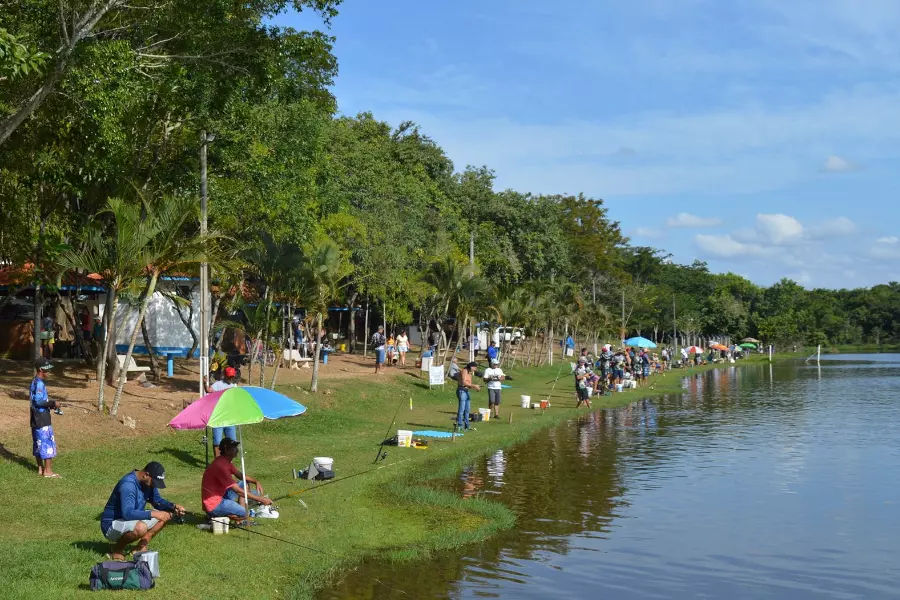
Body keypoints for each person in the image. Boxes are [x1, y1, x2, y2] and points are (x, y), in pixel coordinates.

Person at [100, 462, 185, 559]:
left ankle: (140, 547)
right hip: (111, 525)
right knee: (141, 528)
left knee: (167, 515)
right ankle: (117, 549)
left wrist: (173, 507)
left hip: (129, 520)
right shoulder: (128, 485)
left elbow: (157, 500)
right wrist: (154, 513)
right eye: (154, 482)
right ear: (146, 475)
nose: (154, 485)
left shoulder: (147, 483)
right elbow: (127, 513)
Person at [202, 437, 272, 521]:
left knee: (244, 483)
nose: (237, 450)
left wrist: (256, 481)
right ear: (227, 450)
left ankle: (240, 509)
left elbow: (240, 475)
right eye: (234, 448)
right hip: (213, 505)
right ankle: (223, 516)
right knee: (247, 514)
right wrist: (261, 499)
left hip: (220, 496)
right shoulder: (221, 466)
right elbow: (237, 490)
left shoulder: (225, 461)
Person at [30, 358, 60, 477]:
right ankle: (48, 472)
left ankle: (40, 469)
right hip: (42, 418)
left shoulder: (34, 382)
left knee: (38, 443)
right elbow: (38, 401)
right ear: (40, 369)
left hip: (35, 417)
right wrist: (53, 403)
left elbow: (38, 401)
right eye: (47, 370)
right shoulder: (40, 383)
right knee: (47, 442)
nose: (49, 372)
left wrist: (49, 404)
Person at [209, 367, 237, 457]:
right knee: (217, 441)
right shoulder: (218, 384)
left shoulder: (234, 386)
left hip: (230, 417)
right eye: (229, 376)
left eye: (232, 377)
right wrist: (204, 383)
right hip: (218, 417)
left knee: (232, 441)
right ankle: (217, 461)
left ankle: (228, 460)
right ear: (224, 375)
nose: (231, 379)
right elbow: (209, 390)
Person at [456, 361, 481, 431]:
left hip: (466, 391)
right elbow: (464, 382)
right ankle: (460, 425)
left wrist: (476, 387)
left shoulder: (470, 374)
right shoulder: (464, 371)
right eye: (475, 368)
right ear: (471, 367)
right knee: (462, 409)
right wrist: (474, 385)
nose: (475, 369)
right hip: (461, 390)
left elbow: (469, 384)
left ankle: (467, 425)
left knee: (467, 410)